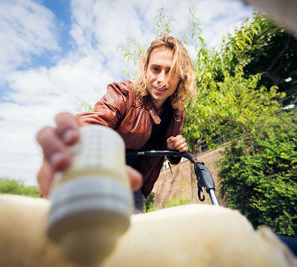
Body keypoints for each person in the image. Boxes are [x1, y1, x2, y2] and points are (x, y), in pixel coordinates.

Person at [36, 35, 196, 213]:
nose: (161, 79)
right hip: (103, 175)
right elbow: (98, 119)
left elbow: (173, 157)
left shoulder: (176, 111)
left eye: (170, 71)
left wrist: (174, 147)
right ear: (146, 69)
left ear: (180, 76)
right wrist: (72, 136)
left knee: (133, 233)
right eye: (156, 69)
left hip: (134, 183)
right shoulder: (124, 94)